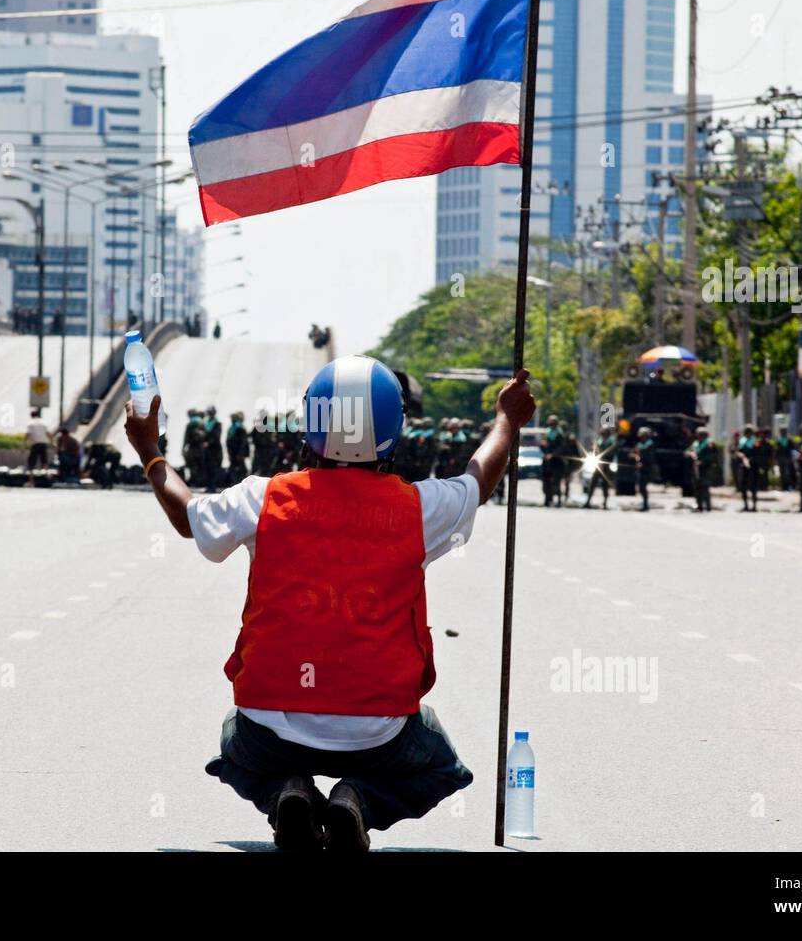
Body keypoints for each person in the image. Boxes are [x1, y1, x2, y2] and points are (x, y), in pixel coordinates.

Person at [121, 355, 536, 851]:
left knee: (234, 744)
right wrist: (507, 420)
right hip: (379, 737)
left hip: (269, 730)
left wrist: (149, 448)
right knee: (443, 767)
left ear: (310, 424)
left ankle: (285, 793)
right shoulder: (419, 509)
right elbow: (478, 481)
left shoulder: (263, 498)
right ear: (394, 429)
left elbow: (188, 516)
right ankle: (357, 801)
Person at [583, 426, 617, 509]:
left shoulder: (611, 440)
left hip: (606, 465)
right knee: (592, 483)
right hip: (598, 465)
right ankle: (588, 502)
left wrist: (600, 452)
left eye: (604, 431)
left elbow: (610, 452)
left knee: (605, 485)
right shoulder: (600, 440)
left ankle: (605, 503)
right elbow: (596, 451)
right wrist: (595, 448)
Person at [685, 427, 717, 512]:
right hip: (696, 469)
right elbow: (687, 451)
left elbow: (711, 456)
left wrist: (702, 462)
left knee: (705, 487)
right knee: (697, 487)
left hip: (705, 469)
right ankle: (699, 506)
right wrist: (690, 453)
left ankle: (708, 506)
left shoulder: (709, 444)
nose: (699, 436)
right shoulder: (695, 444)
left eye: (701, 435)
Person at [735, 424, 761, 512]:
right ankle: (745, 505)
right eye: (746, 433)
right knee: (743, 487)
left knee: (753, 487)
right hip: (743, 467)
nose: (747, 434)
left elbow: (758, 453)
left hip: (753, 467)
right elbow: (738, 451)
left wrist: (750, 460)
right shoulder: (742, 441)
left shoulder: (756, 442)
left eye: (749, 433)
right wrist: (740, 455)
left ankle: (754, 506)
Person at [541, 415, 564, 507]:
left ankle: (558, 500)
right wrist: (543, 448)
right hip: (547, 461)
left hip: (556, 461)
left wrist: (553, 454)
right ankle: (547, 499)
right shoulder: (547, 433)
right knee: (546, 481)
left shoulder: (559, 433)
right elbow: (542, 445)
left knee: (556, 482)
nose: (551, 424)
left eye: (553, 423)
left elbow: (561, 447)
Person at [634, 426, 657, 512]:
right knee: (640, 487)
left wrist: (639, 453)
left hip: (646, 467)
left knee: (643, 486)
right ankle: (644, 503)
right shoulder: (640, 443)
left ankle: (645, 504)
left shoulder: (649, 443)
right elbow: (636, 452)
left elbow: (643, 450)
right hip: (641, 467)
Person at [24, 410, 50, 483]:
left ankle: (31, 480)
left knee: (32, 462)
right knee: (44, 461)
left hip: (35, 444)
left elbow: (28, 434)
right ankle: (47, 476)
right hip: (43, 444)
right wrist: (52, 442)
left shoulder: (30, 423)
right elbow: (48, 433)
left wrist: (24, 444)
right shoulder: (43, 423)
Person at [226, 411, 250, 484]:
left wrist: (240, 453)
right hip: (233, 453)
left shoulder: (240, 428)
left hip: (238, 453)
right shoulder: (231, 428)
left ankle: (240, 483)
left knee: (240, 469)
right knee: (235, 468)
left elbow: (243, 442)